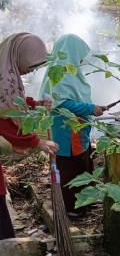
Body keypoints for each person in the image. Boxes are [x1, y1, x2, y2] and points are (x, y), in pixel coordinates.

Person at [39, 34, 108, 219]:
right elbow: (61, 104)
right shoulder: (60, 72)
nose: (82, 59)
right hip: (67, 131)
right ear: (72, 52)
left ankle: (87, 199)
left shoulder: (70, 71)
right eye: (80, 54)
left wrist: (91, 109)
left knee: (84, 163)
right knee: (70, 168)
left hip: (77, 129)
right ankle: (72, 207)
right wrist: (91, 108)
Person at [0, 33, 59, 240]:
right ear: (18, 55)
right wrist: (36, 141)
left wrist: (36, 103)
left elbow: (11, 100)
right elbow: (4, 114)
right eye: (31, 64)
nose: (32, 70)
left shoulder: (4, 78)